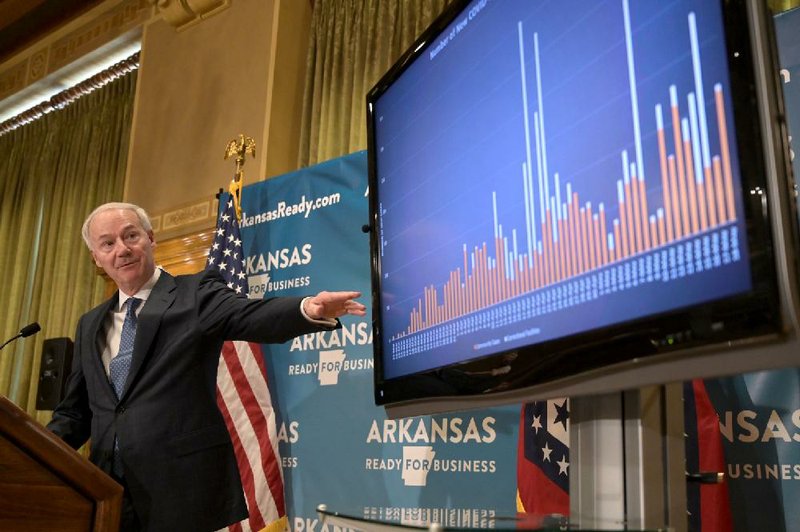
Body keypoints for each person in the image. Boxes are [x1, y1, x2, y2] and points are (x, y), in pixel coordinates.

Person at [47, 202, 366, 531]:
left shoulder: (195, 293)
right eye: (108, 243)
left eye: (131, 235)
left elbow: (250, 316)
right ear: (96, 257)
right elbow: (75, 413)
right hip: (109, 496)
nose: (123, 249)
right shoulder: (90, 324)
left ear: (151, 239)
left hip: (182, 494)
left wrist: (307, 308)